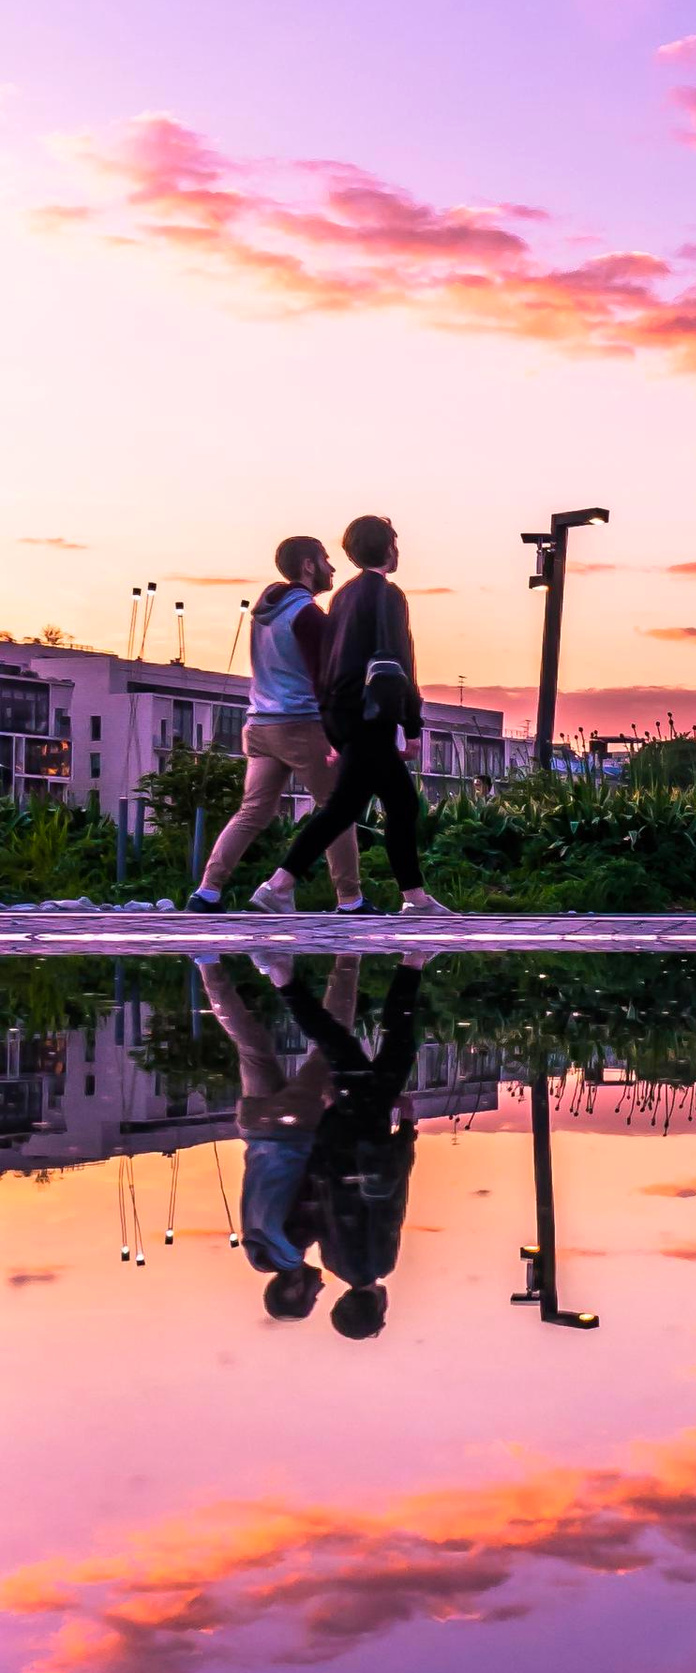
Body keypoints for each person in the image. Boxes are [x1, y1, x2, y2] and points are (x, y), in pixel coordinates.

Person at [250, 515, 444, 915]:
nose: (398, 549)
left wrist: (334, 728)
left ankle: (415, 898)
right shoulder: (388, 595)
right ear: (388, 548)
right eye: (395, 541)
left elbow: (330, 664)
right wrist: (411, 725)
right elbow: (397, 662)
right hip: (372, 716)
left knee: (392, 803)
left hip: (344, 715)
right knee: (347, 807)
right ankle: (277, 885)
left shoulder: (343, 597)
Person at [189, 538, 363, 912]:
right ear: (308, 566)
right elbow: (325, 680)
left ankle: (207, 891)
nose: (332, 568)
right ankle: (350, 899)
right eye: (326, 560)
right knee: (338, 809)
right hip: (301, 725)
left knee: (252, 812)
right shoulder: (309, 615)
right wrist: (339, 734)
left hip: (259, 725)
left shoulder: (264, 613)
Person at [191, 952, 354, 1318]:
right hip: (254, 1128)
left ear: (294, 1289)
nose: (320, 1288)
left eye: (312, 1297)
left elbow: (319, 1181)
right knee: (251, 1046)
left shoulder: (293, 1241)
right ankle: (206, 962)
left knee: (333, 1039)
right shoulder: (256, 1243)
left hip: (295, 1128)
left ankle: (348, 954)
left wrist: (335, 1119)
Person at [284, 962, 421, 1335]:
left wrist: (406, 1130)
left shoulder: (379, 1262)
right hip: (342, 1133)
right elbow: (322, 1191)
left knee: (385, 1043)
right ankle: (412, 962)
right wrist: (328, 1117)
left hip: (368, 1131)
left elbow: (387, 1195)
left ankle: (284, 979)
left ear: (378, 1307)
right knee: (348, 1047)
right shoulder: (333, 1261)